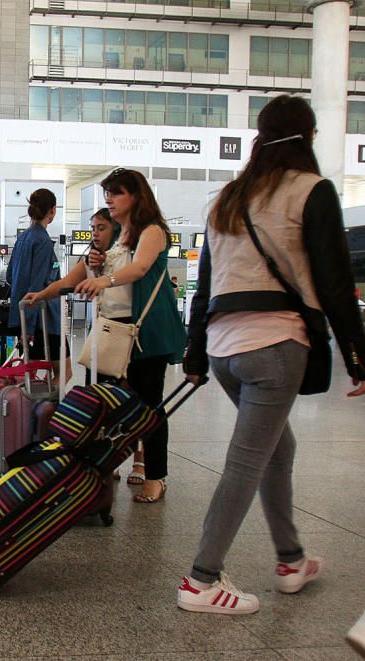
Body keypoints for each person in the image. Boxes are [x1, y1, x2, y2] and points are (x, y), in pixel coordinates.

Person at [177, 95, 365, 616]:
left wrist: (194, 355)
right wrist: (358, 356)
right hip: (276, 346)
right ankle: (201, 580)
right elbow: (333, 281)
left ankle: (290, 558)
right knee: (246, 461)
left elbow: (205, 287)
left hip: (224, 352)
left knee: (276, 451)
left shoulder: (228, 198)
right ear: (308, 136)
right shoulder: (311, 190)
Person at [73, 169, 187, 504]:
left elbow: (138, 270)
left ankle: (156, 475)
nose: (109, 199)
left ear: (135, 196)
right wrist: (97, 265)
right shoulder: (120, 233)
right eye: (107, 192)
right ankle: (114, 462)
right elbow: (106, 272)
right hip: (117, 328)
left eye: (116, 193)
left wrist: (103, 280)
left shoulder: (152, 231)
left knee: (149, 405)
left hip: (146, 331)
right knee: (113, 403)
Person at [23, 208, 144, 482]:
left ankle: (140, 461)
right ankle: (108, 458)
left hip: (133, 328)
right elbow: (67, 281)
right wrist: (41, 294)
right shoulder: (91, 258)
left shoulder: (131, 252)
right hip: (105, 329)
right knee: (105, 399)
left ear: (116, 228)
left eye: (101, 228)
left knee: (134, 399)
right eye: (93, 228)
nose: (95, 234)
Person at [7, 189, 63, 372]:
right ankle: (49, 402)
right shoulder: (44, 242)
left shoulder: (22, 238)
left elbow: (9, 277)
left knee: (28, 372)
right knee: (63, 373)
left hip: (22, 316)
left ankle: (21, 401)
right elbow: (36, 288)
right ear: (52, 210)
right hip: (42, 320)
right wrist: (29, 328)